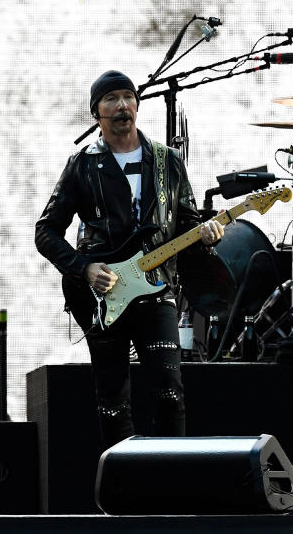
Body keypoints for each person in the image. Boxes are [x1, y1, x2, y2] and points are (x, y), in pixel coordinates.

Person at [35, 70, 223, 450]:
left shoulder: (166, 161)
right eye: (111, 99)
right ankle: (123, 491)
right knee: (112, 399)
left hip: (155, 290)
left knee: (169, 392)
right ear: (96, 113)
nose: (122, 105)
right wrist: (84, 269)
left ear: (137, 105)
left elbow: (185, 224)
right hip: (103, 293)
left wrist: (205, 237)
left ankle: (171, 485)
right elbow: (46, 231)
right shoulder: (82, 164)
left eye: (128, 97)